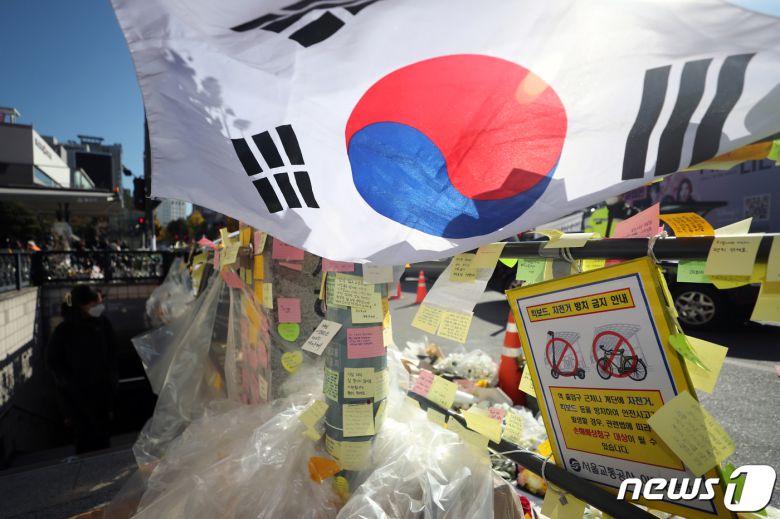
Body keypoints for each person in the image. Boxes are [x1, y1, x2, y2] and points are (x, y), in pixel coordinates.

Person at [46, 285, 118, 453]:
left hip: (102, 392)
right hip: (78, 395)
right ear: (81, 305)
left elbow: (112, 352)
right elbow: (54, 362)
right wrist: (68, 385)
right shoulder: (65, 331)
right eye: (94, 304)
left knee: (103, 435)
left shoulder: (102, 323)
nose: (98, 307)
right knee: (84, 437)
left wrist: (112, 380)